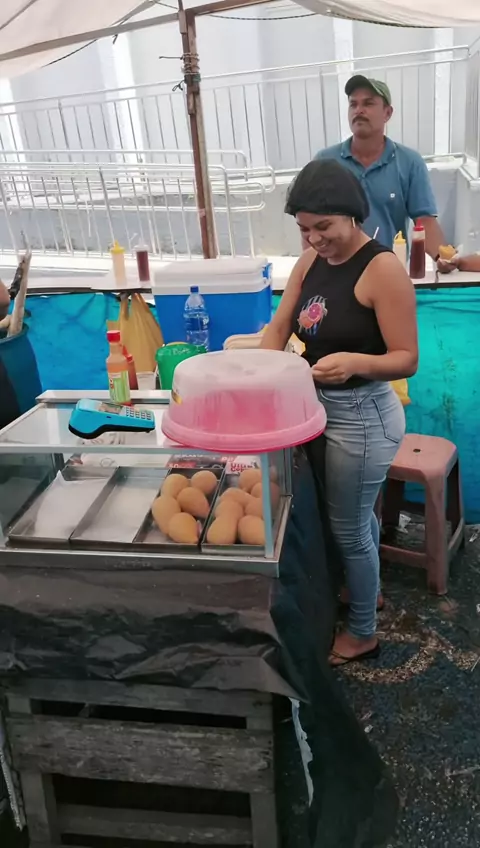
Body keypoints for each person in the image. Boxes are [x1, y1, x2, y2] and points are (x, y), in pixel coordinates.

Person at [261, 159, 418, 666]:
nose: (314, 239)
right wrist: (255, 374)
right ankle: (367, 589)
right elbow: (280, 325)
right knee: (354, 517)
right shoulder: (310, 261)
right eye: (304, 229)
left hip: (363, 416)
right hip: (317, 410)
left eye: (323, 227)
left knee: (347, 527)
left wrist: (355, 362)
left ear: (352, 214)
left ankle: (364, 631)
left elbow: (406, 358)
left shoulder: (382, 270)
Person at [313, 75, 445, 259]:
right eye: (353, 104)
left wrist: (443, 257)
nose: (359, 110)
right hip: (338, 269)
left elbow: (424, 221)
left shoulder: (409, 162)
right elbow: (309, 221)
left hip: (389, 267)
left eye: (368, 103)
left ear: (387, 113)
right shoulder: (325, 162)